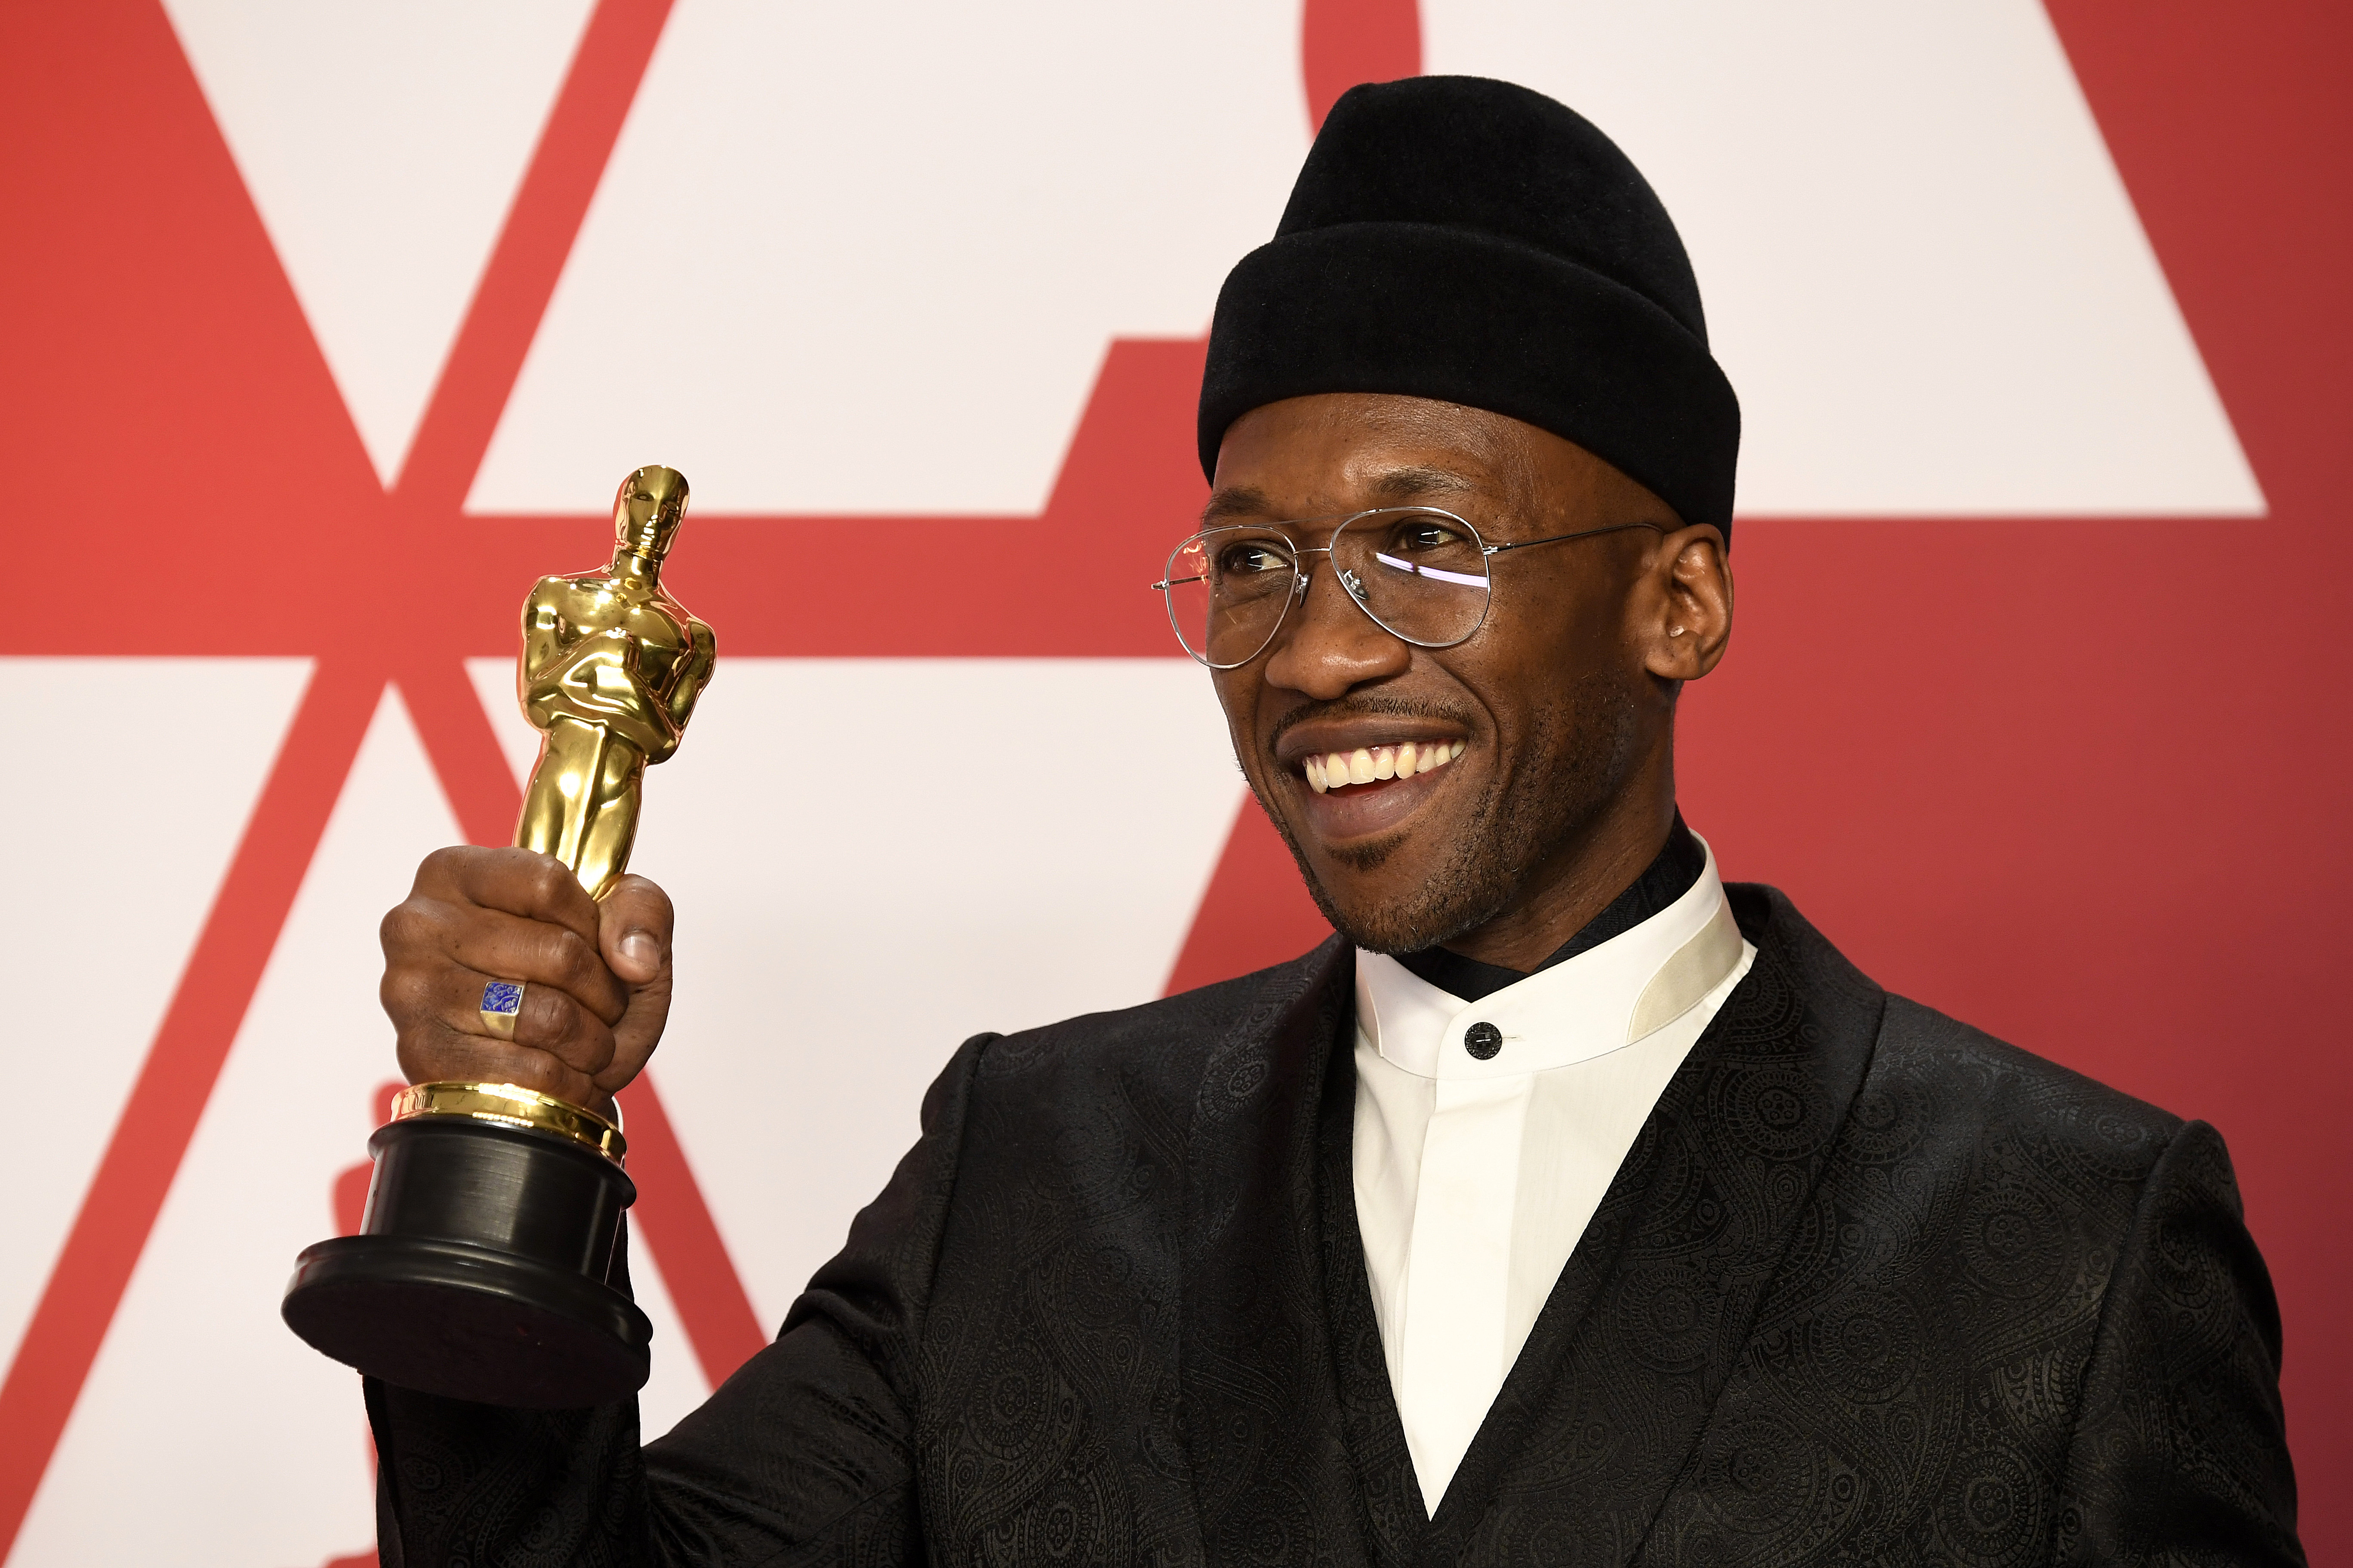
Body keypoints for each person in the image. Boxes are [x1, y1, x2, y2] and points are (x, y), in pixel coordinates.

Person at [366, 77, 2301, 1565]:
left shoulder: (2073, 1239)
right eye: (1255, 563)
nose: (1306, 662)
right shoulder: (1026, 1170)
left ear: (1681, 602)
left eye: (1425, 547)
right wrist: (505, 1142)